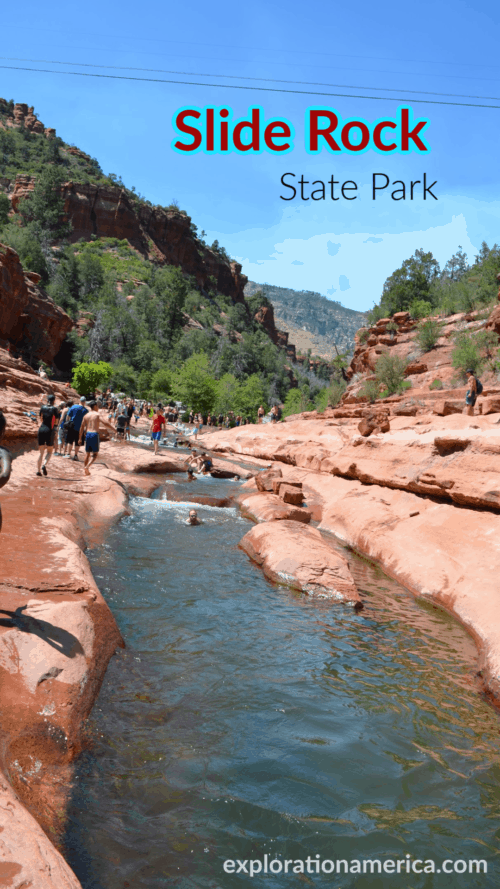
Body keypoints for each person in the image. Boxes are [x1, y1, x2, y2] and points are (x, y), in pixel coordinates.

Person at [79, 401, 115, 476]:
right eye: (97, 406)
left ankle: (85, 471)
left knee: (87, 453)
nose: (98, 408)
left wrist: (79, 438)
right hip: (95, 434)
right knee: (95, 455)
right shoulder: (97, 414)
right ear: (95, 406)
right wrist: (114, 430)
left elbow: (81, 428)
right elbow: (106, 423)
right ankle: (87, 466)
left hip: (88, 434)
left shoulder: (86, 415)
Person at [36, 393, 60, 476]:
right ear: (54, 401)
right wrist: (55, 428)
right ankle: (44, 465)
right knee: (49, 451)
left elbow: (41, 418)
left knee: (41, 452)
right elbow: (56, 421)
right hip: (50, 430)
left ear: (47, 400)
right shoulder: (54, 409)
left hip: (41, 429)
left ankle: (38, 471)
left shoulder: (43, 407)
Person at [64, 396, 88, 461]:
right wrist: (85, 430)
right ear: (84, 402)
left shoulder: (74, 406)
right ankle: (75, 455)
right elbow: (86, 421)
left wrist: (67, 423)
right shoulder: (86, 410)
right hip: (80, 428)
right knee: (77, 442)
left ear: (79, 401)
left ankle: (68, 454)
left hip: (71, 426)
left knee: (70, 441)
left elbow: (68, 416)